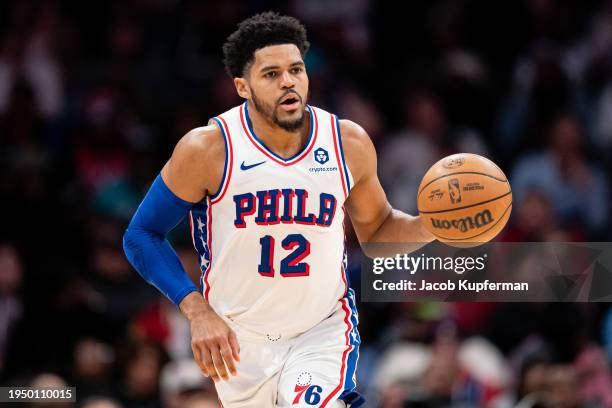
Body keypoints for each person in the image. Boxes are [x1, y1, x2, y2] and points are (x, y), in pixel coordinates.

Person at [123, 12, 433, 408]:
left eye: (296, 69)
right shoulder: (208, 150)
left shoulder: (347, 143)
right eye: (271, 74)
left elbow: (378, 232)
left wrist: (433, 227)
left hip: (318, 332)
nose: (288, 81)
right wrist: (196, 310)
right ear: (242, 86)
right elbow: (140, 235)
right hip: (238, 341)